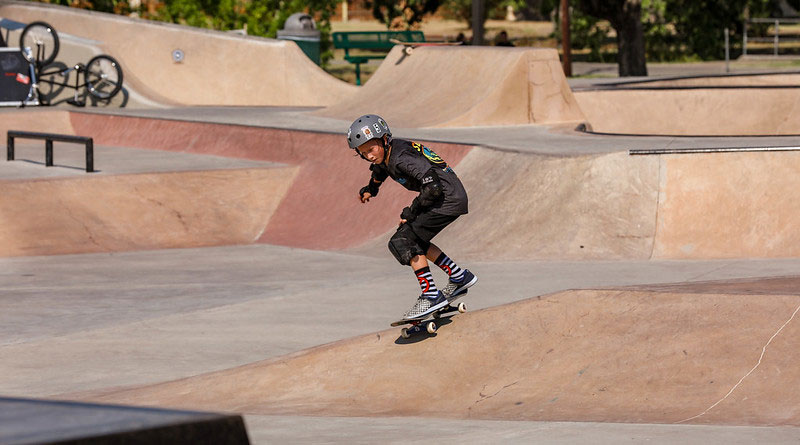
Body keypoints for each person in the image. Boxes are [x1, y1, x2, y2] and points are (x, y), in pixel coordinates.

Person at [347, 114, 477, 320]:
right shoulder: (388, 154)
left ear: (384, 139)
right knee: (416, 241)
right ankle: (459, 276)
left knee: (402, 241)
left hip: (445, 198)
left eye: (370, 150)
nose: (369, 156)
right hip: (448, 195)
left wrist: (411, 212)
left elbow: (433, 187)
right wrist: (371, 189)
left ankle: (431, 296)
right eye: (363, 154)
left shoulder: (401, 158)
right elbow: (380, 170)